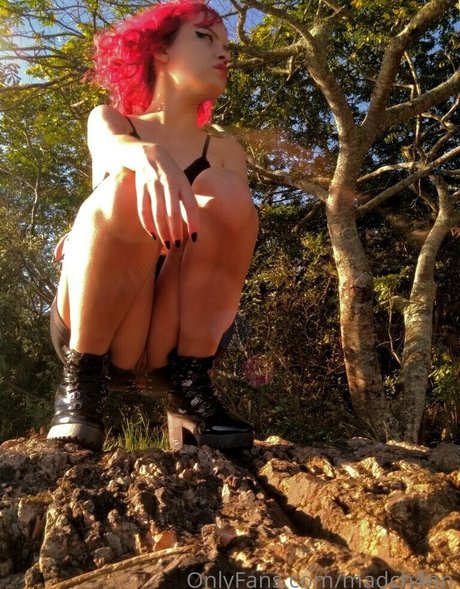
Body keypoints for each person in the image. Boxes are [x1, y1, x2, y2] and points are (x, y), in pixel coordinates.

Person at [46, 0, 259, 452]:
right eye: (205, 37)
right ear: (160, 49)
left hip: (177, 333)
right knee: (128, 182)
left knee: (228, 191)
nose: (224, 53)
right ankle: (80, 385)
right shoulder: (111, 120)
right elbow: (111, 151)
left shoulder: (225, 151)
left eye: (226, 45)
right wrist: (147, 155)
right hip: (106, 325)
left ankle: (191, 388)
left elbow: (228, 236)